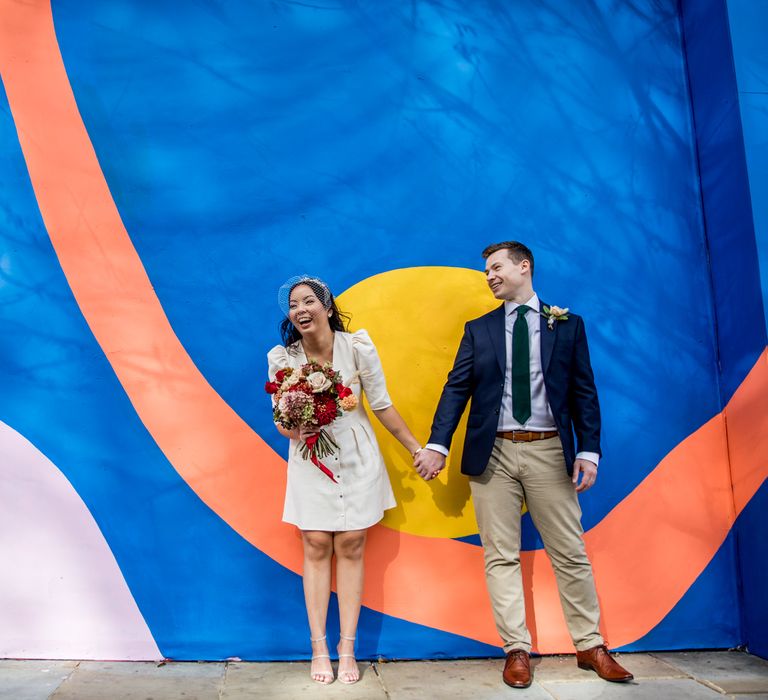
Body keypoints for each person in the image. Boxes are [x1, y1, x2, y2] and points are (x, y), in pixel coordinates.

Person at [414, 242, 633, 688]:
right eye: (486, 270)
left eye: (496, 268)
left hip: (550, 451)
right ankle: (516, 650)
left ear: (523, 266)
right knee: (500, 555)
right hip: (492, 453)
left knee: (569, 551)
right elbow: (456, 390)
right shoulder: (479, 330)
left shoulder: (567, 325)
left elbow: (583, 391)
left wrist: (589, 449)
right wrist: (438, 444)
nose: (489, 276)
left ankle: (590, 646)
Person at [267, 275, 421, 685]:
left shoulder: (357, 348)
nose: (301, 310)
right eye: (294, 305)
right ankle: (318, 647)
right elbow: (280, 421)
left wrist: (415, 448)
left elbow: (383, 405)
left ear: (328, 307)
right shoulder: (284, 358)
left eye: (309, 302)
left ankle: (347, 647)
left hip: (356, 454)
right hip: (309, 455)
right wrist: (298, 423)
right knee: (316, 543)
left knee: (352, 543)